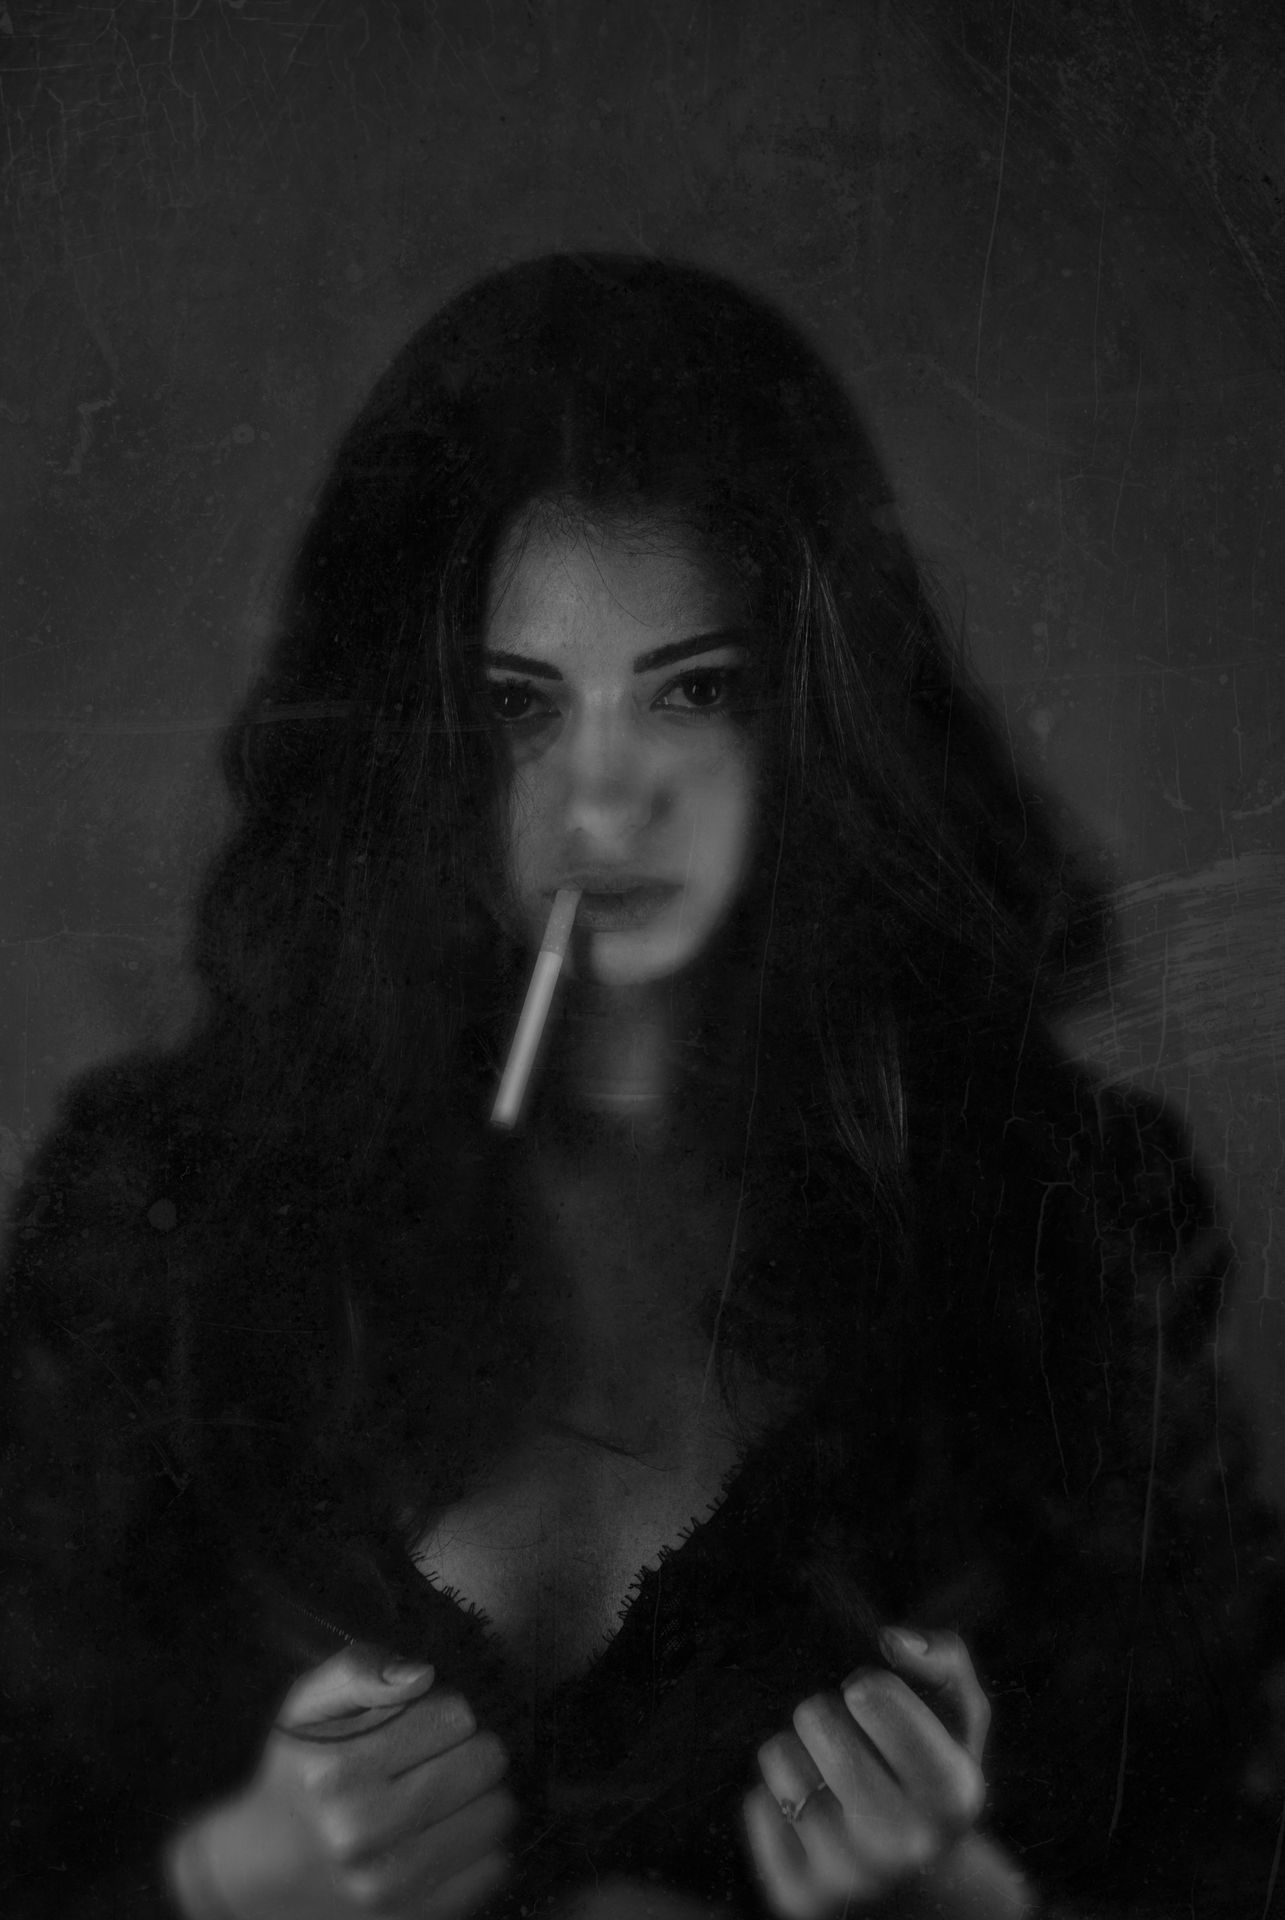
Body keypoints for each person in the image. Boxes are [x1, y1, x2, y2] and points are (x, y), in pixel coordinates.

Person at [1, 253, 1281, 1920]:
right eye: (517, 709)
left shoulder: (1052, 1228)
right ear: (409, 738)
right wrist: (223, 1885)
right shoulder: (160, 1225)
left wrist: (960, 1900)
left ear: (811, 708)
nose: (605, 806)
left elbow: (1213, 1854)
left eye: (692, 690)